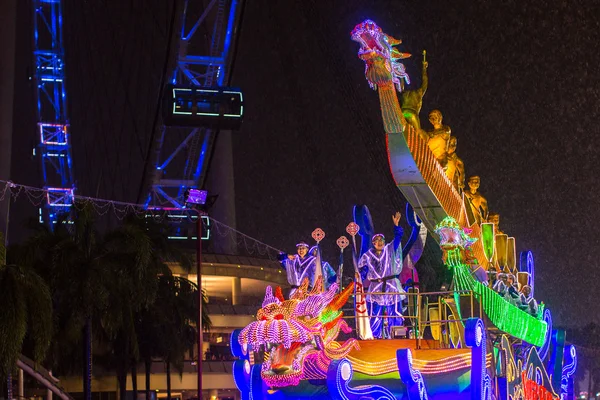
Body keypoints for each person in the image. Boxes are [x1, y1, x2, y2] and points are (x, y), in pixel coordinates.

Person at [359, 212, 406, 339]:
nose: (379, 242)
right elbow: (362, 271)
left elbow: (398, 237)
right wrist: (357, 280)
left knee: (395, 311)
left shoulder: (390, 249)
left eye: (381, 240)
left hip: (391, 285)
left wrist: (396, 226)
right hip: (375, 287)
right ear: (373, 243)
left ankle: (397, 335)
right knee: (375, 313)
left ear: (384, 241)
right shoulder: (368, 255)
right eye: (376, 240)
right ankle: (375, 336)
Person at [400, 55, 428, 137]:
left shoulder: (405, 93)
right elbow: (425, 83)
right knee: (418, 132)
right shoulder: (419, 92)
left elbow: (401, 86)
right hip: (412, 113)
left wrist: (402, 74)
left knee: (403, 131)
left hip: (402, 112)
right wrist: (424, 69)